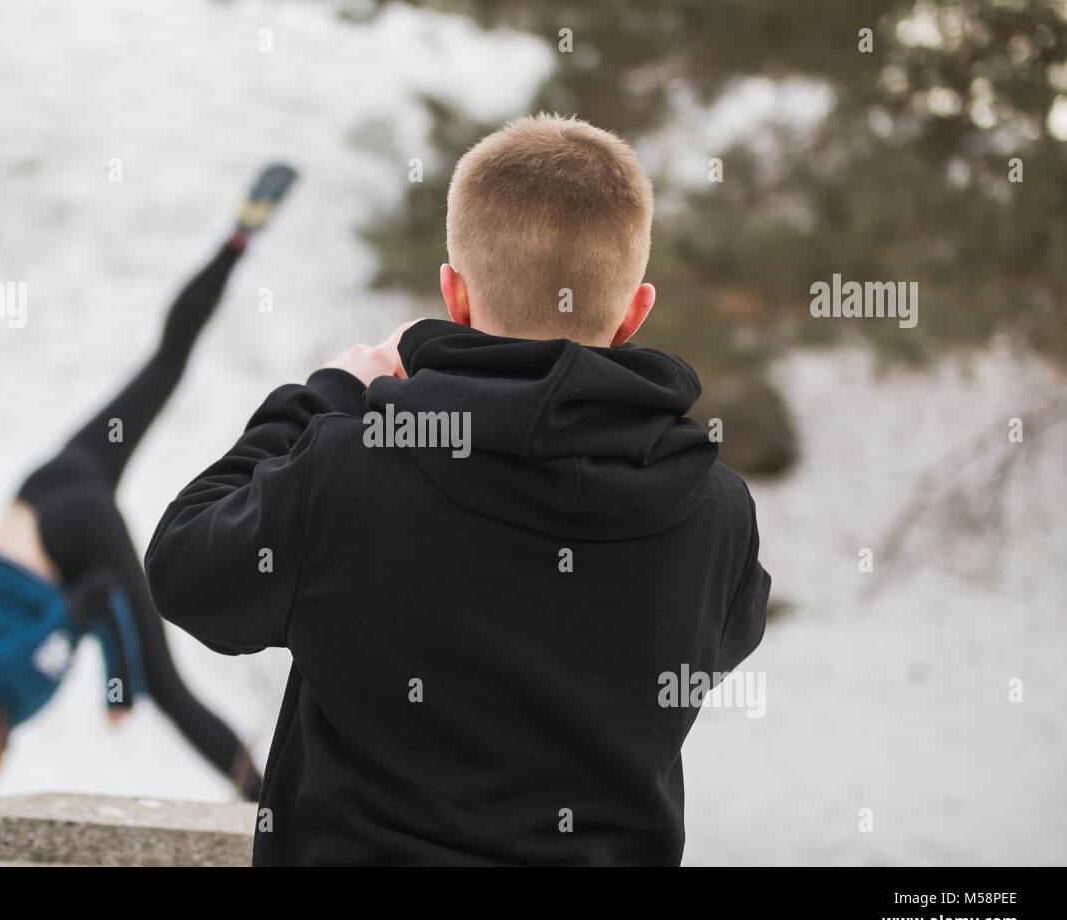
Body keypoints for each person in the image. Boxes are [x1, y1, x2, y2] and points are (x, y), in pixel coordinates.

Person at [145, 114, 771, 865]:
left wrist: (331, 393)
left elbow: (184, 566)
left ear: (455, 295)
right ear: (636, 311)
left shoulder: (352, 472)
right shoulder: (718, 513)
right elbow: (721, 638)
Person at [0, 163, 298, 800]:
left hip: (71, 529)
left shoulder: (14, 683)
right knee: (163, 367)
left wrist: (121, 683)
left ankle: (265, 803)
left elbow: (94, 595)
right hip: (47, 485)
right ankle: (237, 240)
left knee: (164, 688)